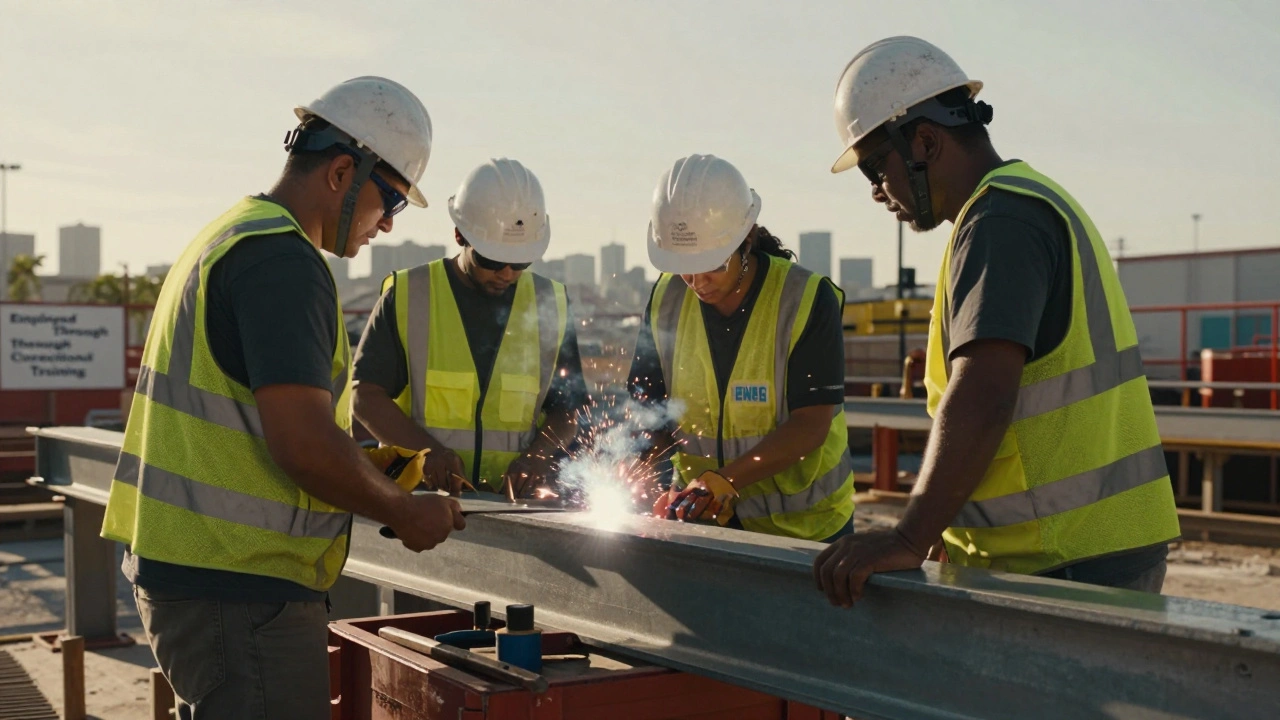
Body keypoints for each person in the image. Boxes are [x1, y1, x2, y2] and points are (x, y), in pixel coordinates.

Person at [100, 77, 466, 719]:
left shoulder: (230, 236)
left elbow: (250, 423)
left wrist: (363, 467)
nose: (385, 225)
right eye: (391, 203)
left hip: (198, 578)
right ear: (343, 171)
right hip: (240, 594)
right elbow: (301, 443)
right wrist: (405, 511)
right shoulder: (284, 262)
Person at [814, 37, 1180, 606]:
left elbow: (984, 396)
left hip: (1064, 561)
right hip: (1085, 549)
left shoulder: (1001, 220)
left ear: (926, 141)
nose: (877, 193)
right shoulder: (1024, 203)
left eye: (874, 167)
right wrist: (950, 528)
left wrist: (912, 534)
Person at [629, 154, 856, 542]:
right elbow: (651, 411)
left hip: (805, 530)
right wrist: (641, 467)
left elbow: (811, 424)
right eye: (685, 265)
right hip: (700, 520)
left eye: (712, 265)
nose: (697, 281)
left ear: (745, 241)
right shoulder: (667, 298)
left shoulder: (804, 298)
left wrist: (725, 480)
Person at [352, 158, 586, 499]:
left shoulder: (551, 302)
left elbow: (568, 410)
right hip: (418, 501)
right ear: (460, 234)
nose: (506, 273)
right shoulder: (410, 295)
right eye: (491, 259)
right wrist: (427, 452)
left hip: (512, 508)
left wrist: (536, 457)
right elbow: (365, 396)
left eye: (520, 261)